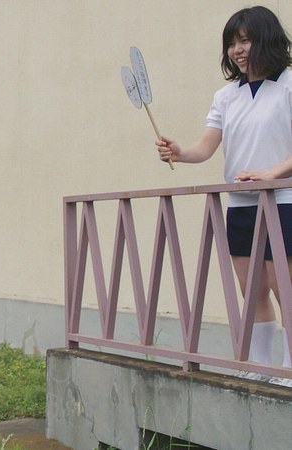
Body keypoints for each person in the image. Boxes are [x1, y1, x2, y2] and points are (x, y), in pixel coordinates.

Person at [156, 6, 292, 386]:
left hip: (284, 201)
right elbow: (206, 146)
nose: (237, 50)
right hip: (241, 205)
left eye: (245, 40)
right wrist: (180, 152)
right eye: (232, 43)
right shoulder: (226, 95)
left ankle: (289, 368)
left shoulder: (289, 84)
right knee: (253, 290)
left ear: (266, 39)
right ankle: (260, 366)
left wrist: (273, 173)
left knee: (285, 289)